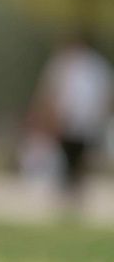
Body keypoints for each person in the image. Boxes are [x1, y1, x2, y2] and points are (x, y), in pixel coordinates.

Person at [31, 33, 113, 193]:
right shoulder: (61, 63)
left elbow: (105, 93)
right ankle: (69, 184)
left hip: (86, 119)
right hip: (65, 119)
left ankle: (74, 184)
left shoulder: (96, 66)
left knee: (79, 153)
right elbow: (50, 91)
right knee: (67, 152)